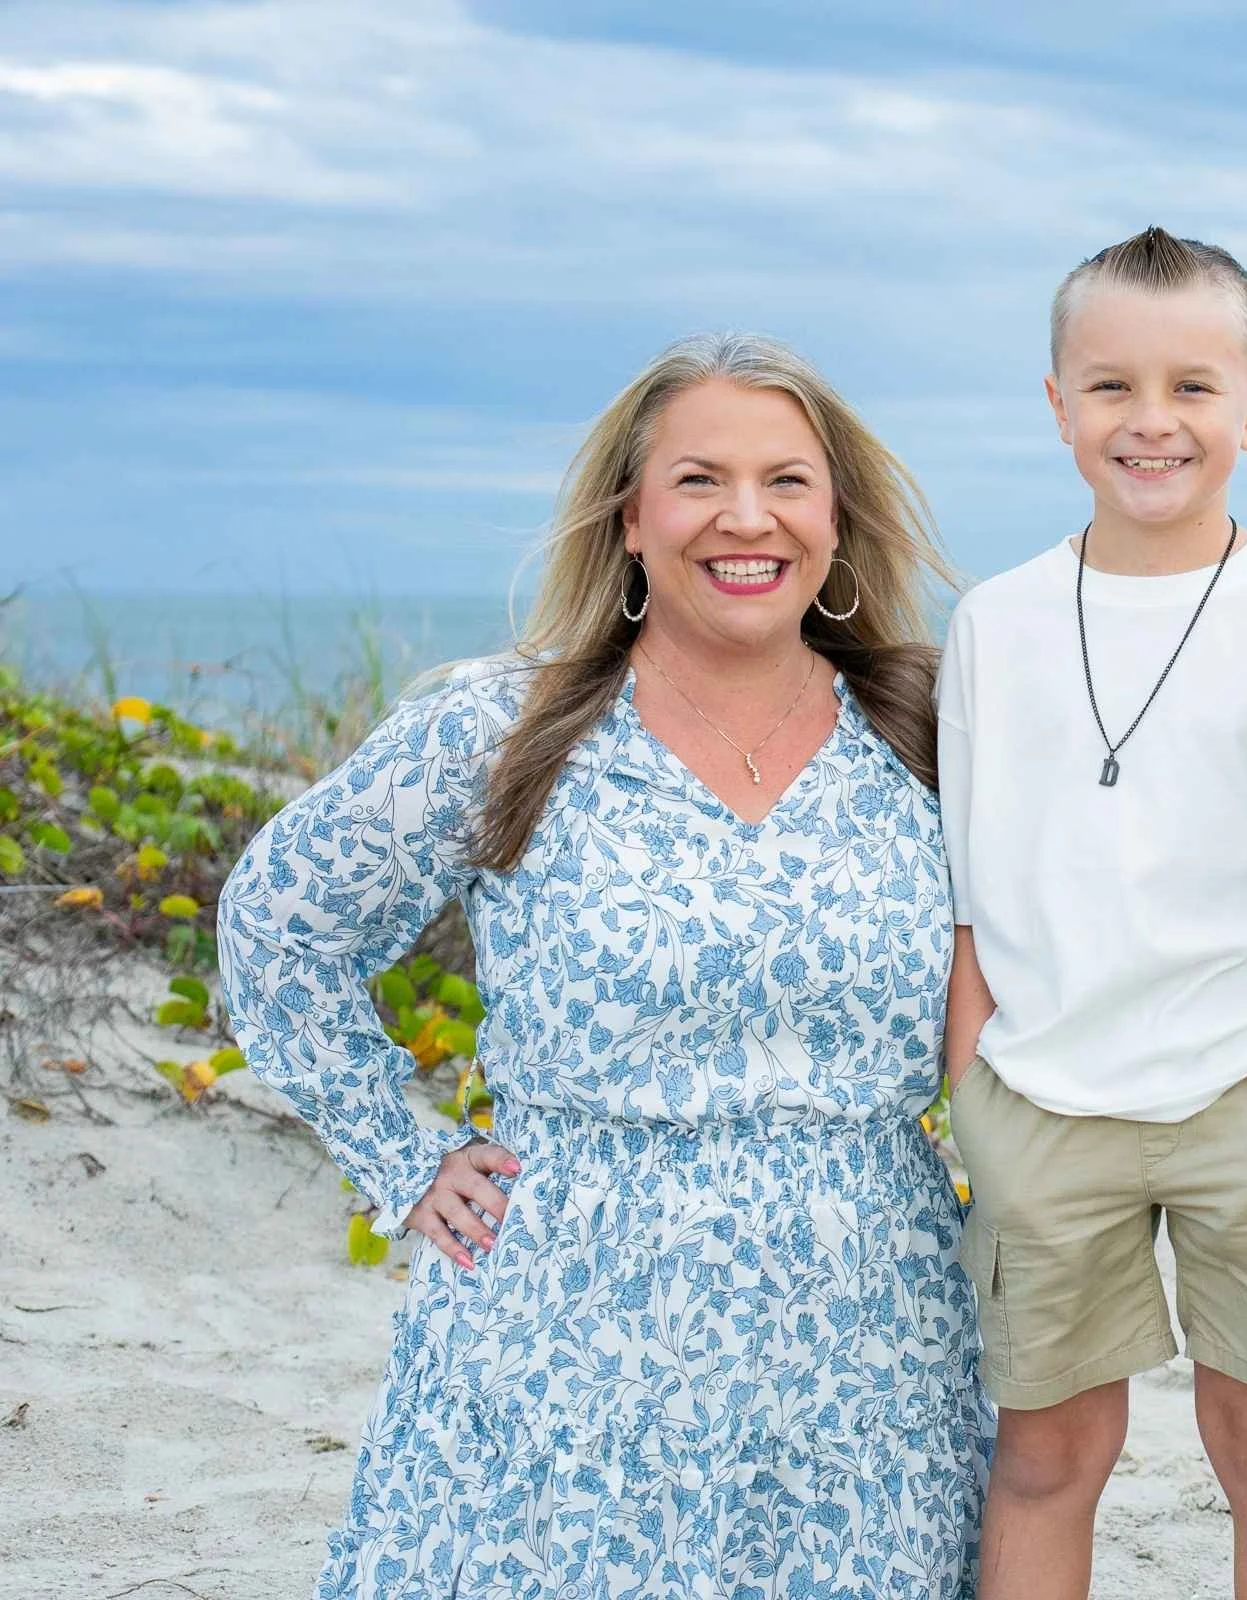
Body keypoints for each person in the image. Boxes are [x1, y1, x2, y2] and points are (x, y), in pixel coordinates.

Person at [217, 333, 990, 1598]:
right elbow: (278, 925)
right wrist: (402, 1154)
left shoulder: (936, 724)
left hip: (869, 1338)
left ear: (837, 516)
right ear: (630, 517)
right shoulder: (503, 726)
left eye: (787, 481)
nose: (748, 518)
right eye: (699, 480)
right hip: (567, 1342)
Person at [937, 226, 1247, 1600]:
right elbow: (974, 889)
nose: (1153, 423)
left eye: (1195, 388)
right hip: (1040, 1097)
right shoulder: (997, 620)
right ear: (1057, 406)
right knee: (1046, 1453)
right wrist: (972, 1086)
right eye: (1111, 387)